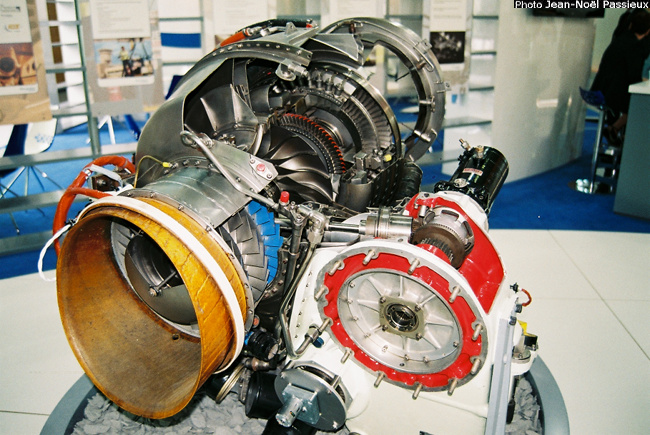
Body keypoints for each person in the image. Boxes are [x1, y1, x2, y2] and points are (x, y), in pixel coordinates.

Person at [591, 10, 650, 145]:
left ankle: (618, 132)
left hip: (601, 88)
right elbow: (633, 76)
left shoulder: (620, 40)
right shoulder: (635, 48)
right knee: (641, 105)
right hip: (613, 95)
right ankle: (617, 131)